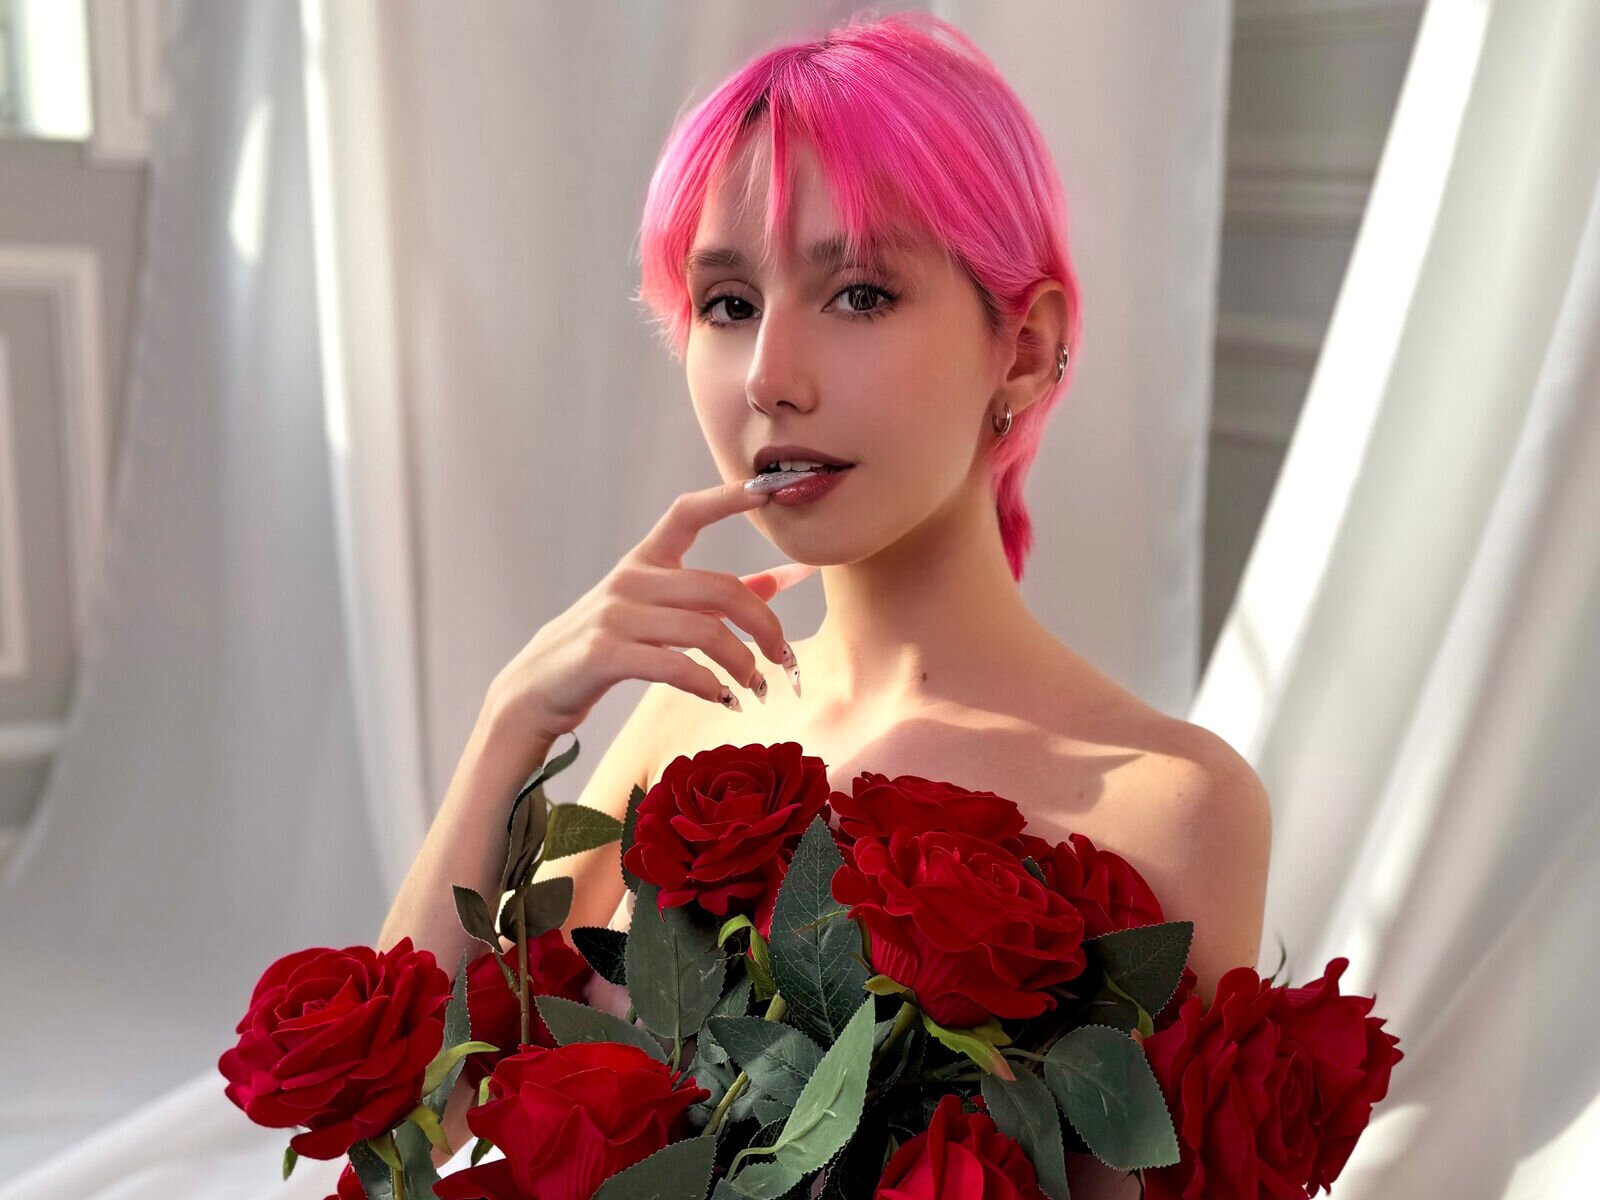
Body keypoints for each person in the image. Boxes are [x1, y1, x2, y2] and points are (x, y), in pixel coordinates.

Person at [378, 12, 1271, 1196]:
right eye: (727, 305)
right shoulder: (684, 720)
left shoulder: (1173, 804)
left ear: (1023, 348)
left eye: (857, 294)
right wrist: (513, 721)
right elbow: (412, 1124)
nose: (768, 379)